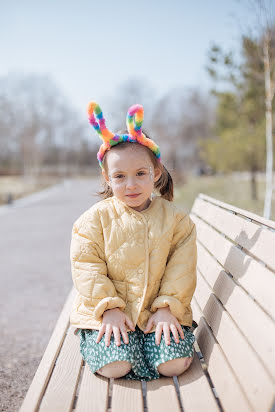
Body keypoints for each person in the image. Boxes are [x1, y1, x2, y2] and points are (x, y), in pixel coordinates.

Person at [69, 101, 198, 381]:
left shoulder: (177, 221)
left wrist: (167, 308)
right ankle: (100, 343)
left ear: (157, 172)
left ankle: (148, 347)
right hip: (109, 314)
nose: (131, 185)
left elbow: (181, 269)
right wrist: (109, 308)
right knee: (116, 367)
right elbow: (87, 268)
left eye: (140, 173)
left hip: (158, 312)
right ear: (107, 177)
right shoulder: (92, 221)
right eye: (120, 176)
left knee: (172, 365)